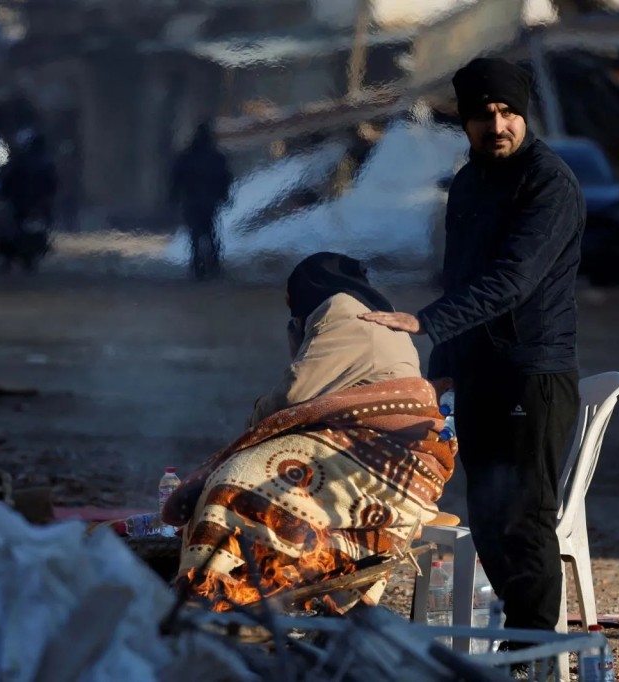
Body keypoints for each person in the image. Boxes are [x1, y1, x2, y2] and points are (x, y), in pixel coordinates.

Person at [360, 58, 585, 638]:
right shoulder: (469, 181)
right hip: (480, 373)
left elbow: (513, 280)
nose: (497, 125)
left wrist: (425, 322)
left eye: (508, 112)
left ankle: (535, 653)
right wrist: (441, 369)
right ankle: (519, 644)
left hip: (529, 374)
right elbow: (459, 276)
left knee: (521, 520)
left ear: (523, 115)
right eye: (484, 115)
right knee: (486, 517)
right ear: (464, 120)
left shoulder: (548, 183)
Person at [163, 252, 457, 612]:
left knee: (242, 475)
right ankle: (276, 576)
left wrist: (256, 420)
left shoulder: (338, 309)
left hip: (381, 451)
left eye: (293, 298)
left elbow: (295, 394)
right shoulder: (371, 309)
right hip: (393, 452)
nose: (292, 308)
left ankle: (203, 586)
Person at [170, 122, 232, 280]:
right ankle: (214, 264)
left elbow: (176, 178)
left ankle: (198, 265)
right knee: (210, 232)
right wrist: (224, 196)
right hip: (210, 202)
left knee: (195, 234)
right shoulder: (217, 157)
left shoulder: (186, 156)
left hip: (191, 200)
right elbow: (225, 178)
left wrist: (174, 197)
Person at [0, 129, 58, 271]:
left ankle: (13, 257)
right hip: (26, 205)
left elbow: (52, 186)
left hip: (28, 206)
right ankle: (12, 257)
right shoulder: (42, 162)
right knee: (6, 227)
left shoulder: (24, 162)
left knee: (7, 227)